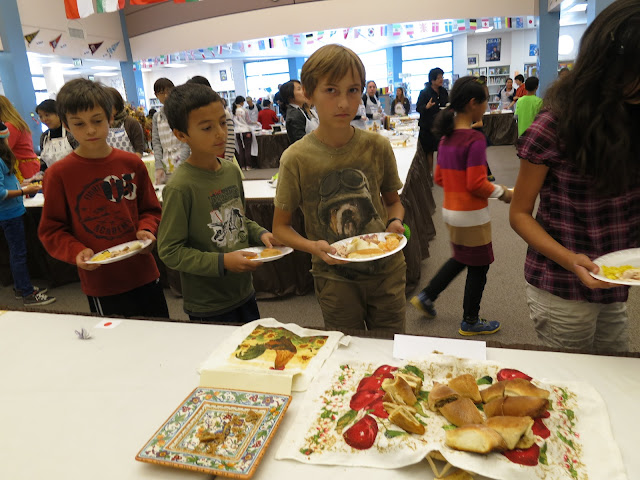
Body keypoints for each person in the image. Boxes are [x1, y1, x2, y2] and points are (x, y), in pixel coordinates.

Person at [509, 0, 640, 352]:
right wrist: (570, 260)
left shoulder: (631, 117)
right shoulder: (554, 126)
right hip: (562, 284)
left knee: (616, 370)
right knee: (574, 378)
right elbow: (520, 214)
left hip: (615, 281)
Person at [273, 44, 407, 333]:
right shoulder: (296, 158)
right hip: (335, 277)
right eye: (331, 90)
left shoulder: (377, 146)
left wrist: (395, 221)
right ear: (308, 94)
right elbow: (280, 228)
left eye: (353, 90)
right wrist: (313, 247)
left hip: (385, 270)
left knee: (392, 349)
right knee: (348, 350)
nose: (345, 103)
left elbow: (393, 202)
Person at [38, 79, 169, 319]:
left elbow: (150, 210)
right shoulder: (59, 174)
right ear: (66, 125)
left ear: (110, 116)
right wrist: (76, 251)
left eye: (97, 121)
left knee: (161, 333)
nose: (90, 130)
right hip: (101, 280)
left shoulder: (131, 163)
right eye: (79, 124)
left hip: (144, 271)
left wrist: (147, 230)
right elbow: (52, 230)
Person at [157, 83, 277, 323]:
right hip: (208, 302)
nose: (220, 133)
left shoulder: (231, 171)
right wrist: (222, 262)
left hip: (243, 291)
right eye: (207, 128)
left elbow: (238, 218)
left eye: (222, 123)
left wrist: (261, 233)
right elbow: (170, 251)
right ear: (181, 135)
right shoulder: (180, 186)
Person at [411, 76, 512, 335]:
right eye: (485, 101)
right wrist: (504, 193)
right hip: (472, 215)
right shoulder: (474, 139)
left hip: (451, 212)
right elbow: (478, 184)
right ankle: (470, 319)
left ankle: (427, 296)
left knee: (461, 257)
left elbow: (439, 178)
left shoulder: (446, 138)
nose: (487, 106)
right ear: (472, 104)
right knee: (479, 265)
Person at [0, 121, 56, 306]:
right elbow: (1, 193)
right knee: (19, 253)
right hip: (10, 215)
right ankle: (27, 292)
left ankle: (20, 287)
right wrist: (25, 191)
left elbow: (8, 185)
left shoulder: (3, 161)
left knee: (17, 252)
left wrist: (25, 184)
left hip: (14, 212)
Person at [187, 76, 236, 164]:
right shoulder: (192, 117)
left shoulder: (224, 114)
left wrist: (227, 161)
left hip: (221, 160)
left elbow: (230, 140)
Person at [152, 78, 190, 185]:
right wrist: (159, 166)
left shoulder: (181, 113)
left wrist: (181, 165)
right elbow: (156, 143)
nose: (165, 96)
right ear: (156, 95)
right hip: (166, 164)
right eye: (161, 93)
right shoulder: (157, 117)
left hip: (183, 163)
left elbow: (187, 141)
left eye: (168, 91)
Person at [416, 68, 449, 177]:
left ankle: (441, 172)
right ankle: (429, 174)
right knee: (428, 151)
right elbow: (418, 108)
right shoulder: (425, 93)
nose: (441, 79)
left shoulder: (443, 91)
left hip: (441, 125)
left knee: (442, 149)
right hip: (428, 126)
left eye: (442, 77)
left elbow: (447, 104)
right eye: (439, 78)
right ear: (432, 80)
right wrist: (426, 107)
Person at [0, 96, 40, 183]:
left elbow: (3, 150)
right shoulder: (16, 123)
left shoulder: (10, 126)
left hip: (24, 168)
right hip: (28, 165)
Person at [35, 99, 78, 168]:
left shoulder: (71, 133)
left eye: (47, 115)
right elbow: (44, 163)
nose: (44, 119)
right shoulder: (44, 137)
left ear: (58, 114)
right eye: (41, 116)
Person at [104, 87, 145, 157]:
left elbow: (139, 150)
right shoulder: (103, 124)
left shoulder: (131, 123)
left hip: (130, 165)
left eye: (109, 106)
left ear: (117, 104)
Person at [280, 80, 318, 144]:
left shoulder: (300, 110)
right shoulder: (294, 114)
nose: (304, 91)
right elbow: (300, 142)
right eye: (299, 89)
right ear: (290, 96)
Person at [232, 96, 255, 170]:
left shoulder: (233, 110)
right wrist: (255, 122)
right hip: (246, 130)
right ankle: (248, 166)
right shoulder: (244, 110)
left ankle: (242, 166)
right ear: (242, 102)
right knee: (247, 149)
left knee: (241, 149)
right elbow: (248, 121)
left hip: (237, 131)